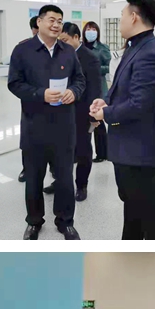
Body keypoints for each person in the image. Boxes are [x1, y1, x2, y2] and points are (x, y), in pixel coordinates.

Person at [89, 0, 155, 240]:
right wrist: (107, 100)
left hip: (138, 149)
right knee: (133, 207)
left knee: (149, 213)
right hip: (128, 146)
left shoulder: (149, 53)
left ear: (134, 17)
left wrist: (106, 113)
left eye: (122, 15)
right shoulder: (136, 47)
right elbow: (126, 88)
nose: (121, 20)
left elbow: (139, 104)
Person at [8, 4, 85, 240]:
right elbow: (14, 83)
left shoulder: (68, 51)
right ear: (39, 22)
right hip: (35, 126)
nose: (56, 25)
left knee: (65, 179)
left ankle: (65, 221)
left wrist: (74, 92)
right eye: (51, 20)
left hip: (64, 127)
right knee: (33, 179)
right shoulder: (23, 50)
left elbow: (80, 80)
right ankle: (34, 222)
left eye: (59, 21)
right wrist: (40, 94)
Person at [50, 23, 103, 203]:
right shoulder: (59, 54)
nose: (61, 43)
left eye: (65, 40)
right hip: (61, 110)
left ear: (76, 37)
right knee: (60, 149)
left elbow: (95, 88)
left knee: (83, 149)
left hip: (82, 111)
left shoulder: (90, 57)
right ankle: (60, 182)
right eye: (60, 40)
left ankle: (81, 185)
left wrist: (93, 114)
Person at [82, 20, 111, 163]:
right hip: (83, 88)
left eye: (93, 29)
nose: (91, 32)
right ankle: (82, 153)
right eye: (88, 29)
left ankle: (102, 153)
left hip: (97, 87)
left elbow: (109, 66)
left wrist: (94, 69)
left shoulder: (102, 48)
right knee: (83, 121)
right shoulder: (80, 47)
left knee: (97, 121)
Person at [19, 15, 40, 184]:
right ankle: (26, 169)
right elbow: (16, 81)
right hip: (30, 103)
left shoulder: (59, 49)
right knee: (28, 139)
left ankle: (53, 168)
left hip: (54, 104)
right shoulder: (23, 48)